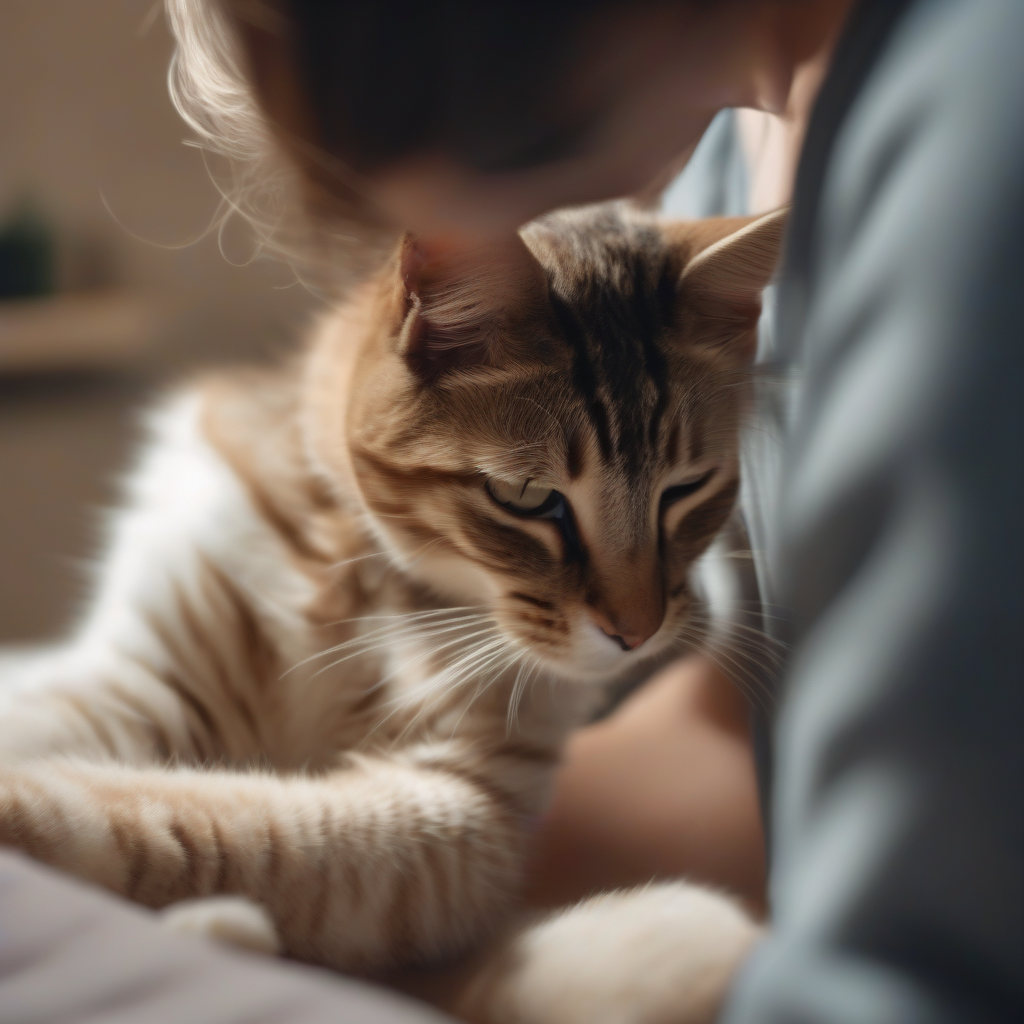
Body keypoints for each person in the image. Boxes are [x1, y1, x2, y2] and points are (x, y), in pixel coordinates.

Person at [2, 0, 1021, 1020]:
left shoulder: (970, 126)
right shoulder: (711, 130)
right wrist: (310, 880)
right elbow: (735, 756)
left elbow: (922, 965)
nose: (630, 613)